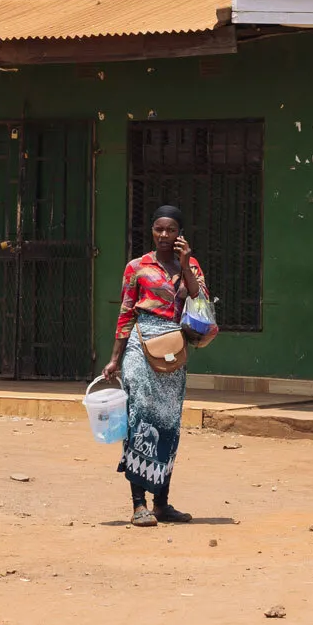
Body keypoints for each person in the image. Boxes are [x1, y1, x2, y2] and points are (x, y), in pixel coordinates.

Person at [100, 205, 213, 528]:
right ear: (152, 231)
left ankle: (161, 503)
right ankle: (139, 504)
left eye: (171, 230)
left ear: (181, 234)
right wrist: (114, 359)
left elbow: (201, 300)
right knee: (139, 422)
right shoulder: (137, 267)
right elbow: (125, 313)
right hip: (139, 346)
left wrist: (187, 265)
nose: (164, 235)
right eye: (159, 229)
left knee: (167, 425)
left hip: (173, 350)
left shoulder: (190, 265)